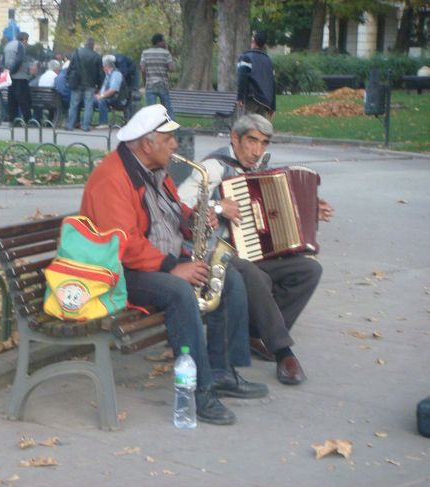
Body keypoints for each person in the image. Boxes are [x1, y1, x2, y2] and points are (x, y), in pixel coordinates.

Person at [80, 105, 268, 426]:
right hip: (118, 273)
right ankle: (199, 392)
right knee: (180, 292)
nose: (175, 145)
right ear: (146, 143)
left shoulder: (155, 170)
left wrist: (197, 219)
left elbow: (175, 211)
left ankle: (222, 371)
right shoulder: (112, 178)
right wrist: (171, 267)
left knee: (228, 276)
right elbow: (123, 244)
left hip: (151, 262)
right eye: (169, 139)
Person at [178, 114, 334, 385]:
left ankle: (256, 334)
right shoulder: (215, 167)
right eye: (252, 141)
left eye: (263, 143)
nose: (257, 150)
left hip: (247, 253)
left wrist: (308, 211)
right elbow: (178, 204)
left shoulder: (257, 168)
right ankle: (282, 350)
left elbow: (275, 215)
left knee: (309, 269)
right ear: (235, 138)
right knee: (253, 275)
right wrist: (217, 207)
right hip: (213, 254)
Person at [236, 31, 276, 119]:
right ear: (264, 44)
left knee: (247, 126)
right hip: (265, 102)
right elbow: (273, 83)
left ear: (253, 42)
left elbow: (242, 77)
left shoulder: (246, 57)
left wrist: (240, 97)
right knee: (260, 128)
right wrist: (273, 106)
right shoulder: (268, 61)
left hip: (251, 98)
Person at [66, 37, 102, 132]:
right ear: (93, 45)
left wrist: (68, 78)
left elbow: (70, 68)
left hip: (77, 83)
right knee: (88, 105)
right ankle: (86, 126)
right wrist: (99, 86)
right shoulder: (97, 56)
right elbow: (100, 73)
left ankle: (70, 125)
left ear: (85, 44)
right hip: (90, 84)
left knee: (73, 104)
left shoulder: (76, 53)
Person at [140, 33, 175, 120]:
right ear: (159, 42)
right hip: (163, 84)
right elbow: (172, 69)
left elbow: (143, 69)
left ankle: (152, 130)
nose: (165, 43)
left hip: (150, 84)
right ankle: (172, 129)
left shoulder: (145, 53)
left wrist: (145, 82)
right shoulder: (166, 53)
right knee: (167, 109)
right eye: (163, 41)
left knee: (151, 110)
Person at [3, 32, 32, 123]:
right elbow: (19, 60)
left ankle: (13, 120)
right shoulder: (20, 46)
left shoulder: (8, 45)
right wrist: (13, 70)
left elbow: (3, 60)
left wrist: (8, 71)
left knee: (12, 100)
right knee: (24, 99)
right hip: (20, 76)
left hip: (10, 75)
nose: (27, 43)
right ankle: (28, 120)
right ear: (23, 39)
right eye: (27, 40)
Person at [94, 54, 128, 128]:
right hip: (110, 97)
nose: (102, 67)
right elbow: (104, 88)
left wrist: (101, 96)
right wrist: (97, 95)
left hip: (118, 99)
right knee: (89, 100)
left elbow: (113, 90)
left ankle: (104, 123)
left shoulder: (116, 74)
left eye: (103, 66)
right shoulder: (108, 74)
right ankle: (84, 122)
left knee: (102, 101)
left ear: (107, 65)